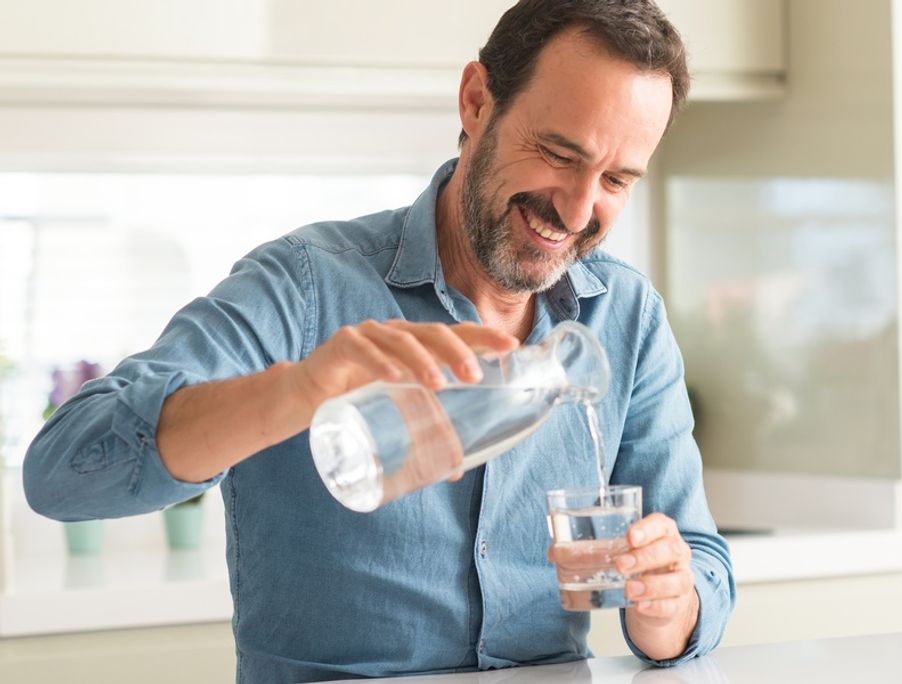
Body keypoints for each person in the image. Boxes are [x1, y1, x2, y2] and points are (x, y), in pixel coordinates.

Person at [23, 0, 735, 680]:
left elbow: (699, 557)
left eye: (616, 179)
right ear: (476, 102)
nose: (579, 209)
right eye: (557, 153)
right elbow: (61, 473)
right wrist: (297, 391)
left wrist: (669, 607)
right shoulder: (305, 287)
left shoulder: (627, 315)